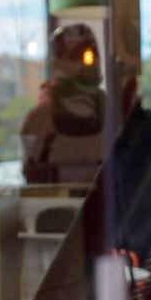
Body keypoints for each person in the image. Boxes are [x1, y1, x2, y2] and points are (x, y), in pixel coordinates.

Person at [21, 23, 107, 185]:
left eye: (92, 54)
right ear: (57, 63)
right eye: (77, 55)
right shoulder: (38, 119)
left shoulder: (114, 113)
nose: (88, 62)